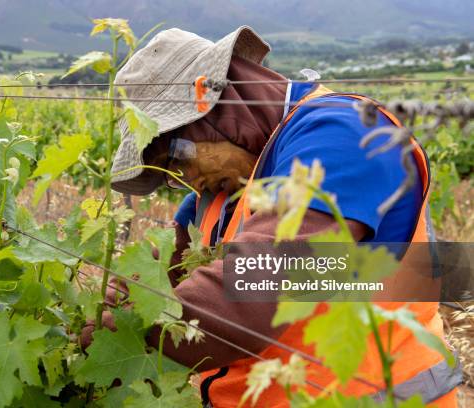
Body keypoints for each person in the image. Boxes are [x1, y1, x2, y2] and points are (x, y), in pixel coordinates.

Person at [82, 26, 461, 407]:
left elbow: (259, 284)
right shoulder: (224, 186)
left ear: (223, 103)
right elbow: (163, 266)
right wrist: (105, 308)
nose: (186, 178)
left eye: (176, 156)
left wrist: (127, 328)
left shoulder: (346, 132)